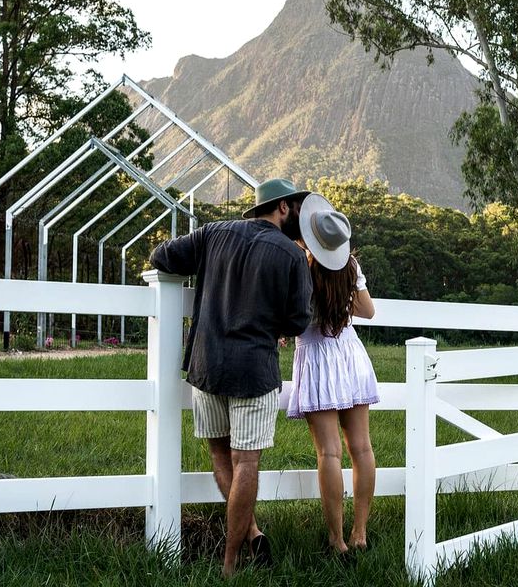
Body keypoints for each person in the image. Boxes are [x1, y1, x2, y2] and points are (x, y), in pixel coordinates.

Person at [150, 177, 313, 577]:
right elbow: (298, 319)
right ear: (283, 208)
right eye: (292, 205)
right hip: (253, 369)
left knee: (221, 456)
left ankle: (251, 534)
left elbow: (161, 256)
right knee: (247, 462)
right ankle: (230, 561)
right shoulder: (291, 255)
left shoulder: (212, 234)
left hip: (206, 364)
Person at [288, 192, 379, 559]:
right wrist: (347, 297)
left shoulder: (303, 268)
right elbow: (368, 311)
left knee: (329, 453)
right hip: (350, 355)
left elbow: (296, 321)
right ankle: (360, 532)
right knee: (362, 448)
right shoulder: (351, 268)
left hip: (318, 359)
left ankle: (336, 539)